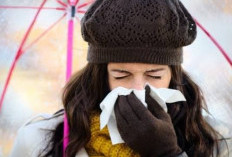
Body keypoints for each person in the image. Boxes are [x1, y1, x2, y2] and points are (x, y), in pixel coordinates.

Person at [10, 0, 231, 157]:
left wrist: (167, 153)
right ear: (99, 76)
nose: (137, 89)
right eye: (121, 75)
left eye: (154, 75)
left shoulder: (217, 141)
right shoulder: (40, 141)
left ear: (173, 75)